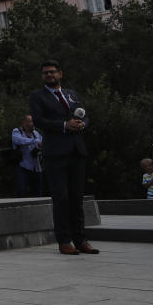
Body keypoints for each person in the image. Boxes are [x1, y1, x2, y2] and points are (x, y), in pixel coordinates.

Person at [28, 60, 98, 255]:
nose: (49, 75)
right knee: (61, 198)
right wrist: (64, 125)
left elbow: (85, 115)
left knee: (77, 198)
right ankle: (64, 240)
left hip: (76, 150)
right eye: (45, 73)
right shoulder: (37, 96)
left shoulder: (71, 94)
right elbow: (40, 120)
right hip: (55, 153)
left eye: (52, 72)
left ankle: (81, 239)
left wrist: (82, 124)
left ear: (61, 74)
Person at [12, 115, 43, 197]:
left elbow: (43, 142)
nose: (33, 124)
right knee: (21, 192)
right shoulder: (17, 131)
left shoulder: (36, 133)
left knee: (38, 193)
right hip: (22, 167)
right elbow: (19, 140)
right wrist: (35, 141)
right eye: (31, 121)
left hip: (36, 168)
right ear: (25, 123)